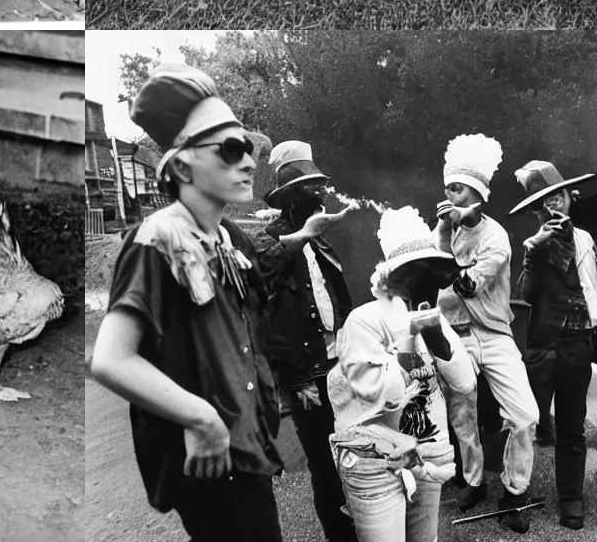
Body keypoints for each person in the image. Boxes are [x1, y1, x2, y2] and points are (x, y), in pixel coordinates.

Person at [91, 63, 287, 542]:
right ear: (180, 166)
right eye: (231, 149)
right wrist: (201, 418)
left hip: (246, 450)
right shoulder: (157, 238)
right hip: (214, 465)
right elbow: (111, 360)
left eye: (251, 148)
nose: (249, 162)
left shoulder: (226, 236)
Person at [327, 206, 475, 542]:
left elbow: (465, 382)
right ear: (391, 277)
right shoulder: (363, 320)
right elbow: (389, 396)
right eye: (415, 272)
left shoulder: (433, 319)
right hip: (374, 460)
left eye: (432, 272)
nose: (425, 283)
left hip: (426, 451)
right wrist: (410, 334)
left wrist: (434, 332)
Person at [246, 140, 358, 542]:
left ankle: (363, 522)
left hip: (339, 363)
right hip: (306, 375)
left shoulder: (321, 239)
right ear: (289, 198)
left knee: (354, 451)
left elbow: (337, 302)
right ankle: (339, 535)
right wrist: (296, 383)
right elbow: (269, 312)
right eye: (308, 188)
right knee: (324, 463)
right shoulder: (267, 241)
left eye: (318, 187)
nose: (318, 196)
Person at [434, 133, 539, 533]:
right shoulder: (443, 231)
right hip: (456, 335)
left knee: (524, 414)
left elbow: (465, 285)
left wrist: (446, 242)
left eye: (457, 189)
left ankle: (515, 491)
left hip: (494, 334)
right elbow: (430, 274)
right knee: (462, 413)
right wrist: (444, 234)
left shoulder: (496, 237)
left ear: (475, 194)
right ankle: (473, 480)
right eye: (447, 188)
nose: (450, 195)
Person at [510, 160, 597, 531]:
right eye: (544, 204)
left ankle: (571, 499)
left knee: (572, 427)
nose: (553, 208)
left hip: (578, 343)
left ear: (569, 196)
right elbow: (524, 294)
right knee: (525, 422)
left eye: (557, 198)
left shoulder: (586, 240)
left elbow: (591, 288)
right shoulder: (535, 245)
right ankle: (514, 496)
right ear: (536, 211)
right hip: (543, 346)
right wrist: (535, 248)